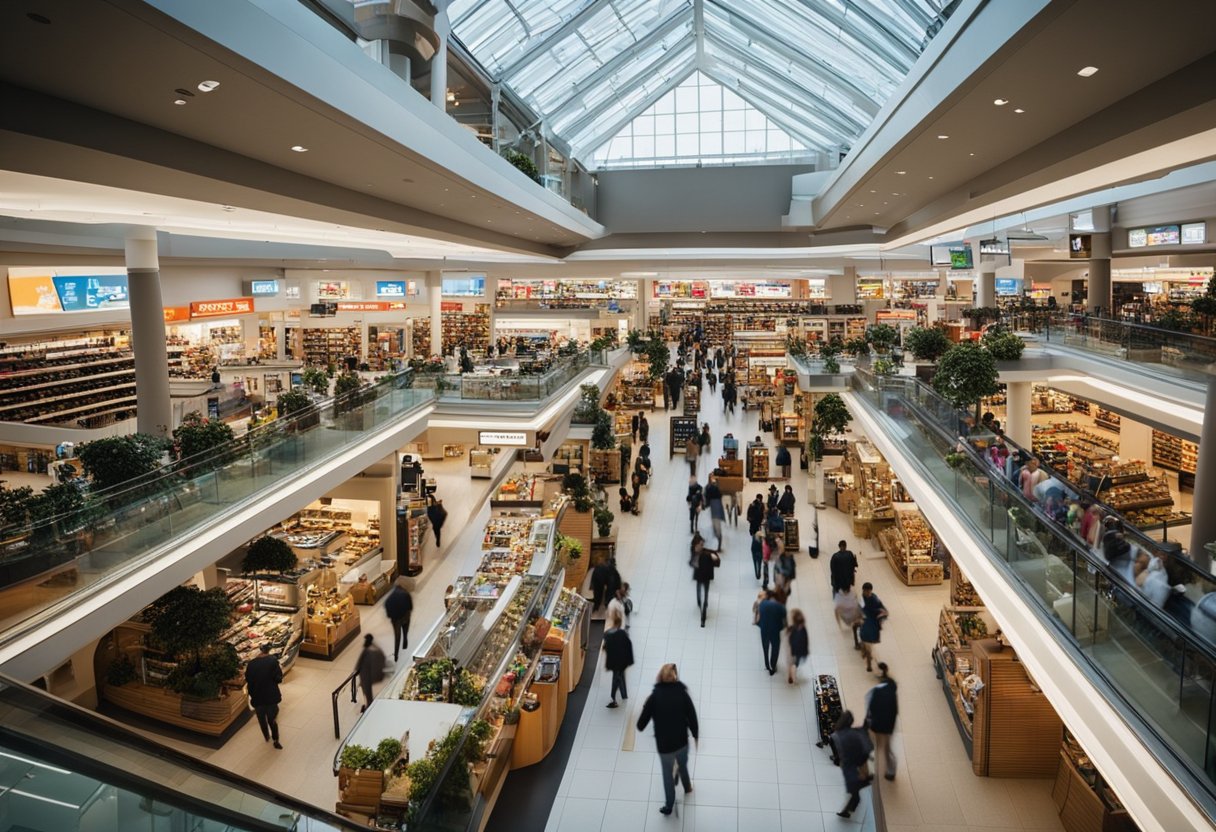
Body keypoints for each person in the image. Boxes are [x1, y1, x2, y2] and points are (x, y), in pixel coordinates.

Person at [636, 663, 699, 816]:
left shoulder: (654, 696)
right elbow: (692, 716)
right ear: (675, 677)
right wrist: (696, 735)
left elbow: (641, 725)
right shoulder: (682, 693)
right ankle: (687, 787)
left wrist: (647, 713)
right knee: (683, 765)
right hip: (682, 741)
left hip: (664, 746)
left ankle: (669, 806)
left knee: (667, 774)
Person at [831, 710, 874, 818]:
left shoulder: (838, 735)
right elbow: (865, 747)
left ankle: (847, 810)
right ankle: (848, 809)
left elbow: (840, 753)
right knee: (853, 788)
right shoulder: (855, 732)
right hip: (856, 765)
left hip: (849, 766)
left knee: (852, 788)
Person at [245, 643, 284, 749]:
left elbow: (248, 679)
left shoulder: (251, 664)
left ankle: (266, 736)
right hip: (270, 695)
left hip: (257, 696)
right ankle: (276, 740)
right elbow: (278, 678)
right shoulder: (272, 661)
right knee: (272, 719)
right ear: (269, 650)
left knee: (261, 718)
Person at [865, 663, 899, 781]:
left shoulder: (876, 692)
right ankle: (891, 771)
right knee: (887, 748)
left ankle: (870, 772)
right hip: (890, 724)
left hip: (878, 724)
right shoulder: (892, 688)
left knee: (873, 747)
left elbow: (870, 709)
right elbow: (894, 710)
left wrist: (869, 723)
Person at [602, 610, 634, 708]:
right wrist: (630, 660)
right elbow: (629, 646)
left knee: (616, 678)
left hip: (614, 661)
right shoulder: (623, 634)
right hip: (622, 661)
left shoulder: (607, 634)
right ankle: (623, 695)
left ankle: (613, 698)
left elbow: (605, 647)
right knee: (619, 676)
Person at [756, 589, 787, 675]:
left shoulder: (763, 604)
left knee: (765, 647)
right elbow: (785, 622)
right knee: (775, 648)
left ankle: (767, 664)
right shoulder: (781, 607)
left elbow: (758, 618)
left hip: (764, 630)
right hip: (775, 631)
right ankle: (773, 665)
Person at [859, 582, 888, 673]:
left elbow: (882, 609)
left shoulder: (874, 599)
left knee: (868, 643)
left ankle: (868, 659)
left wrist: (882, 615)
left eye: (868, 591)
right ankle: (868, 662)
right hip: (866, 624)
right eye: (865, 591)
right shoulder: (862, 599)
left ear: (871, 591)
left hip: (873, 625)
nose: (866, 593)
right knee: (867, 643)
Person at [354, 633, 386, 712]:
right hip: (368, 676)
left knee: (368, 694)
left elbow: (360, 663)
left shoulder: (368, 651)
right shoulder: (372, 649)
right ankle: (368, 707)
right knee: (367, 693)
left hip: (367, 676)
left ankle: (369, 709)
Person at [384, 577, 413, 662]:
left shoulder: (391, 596)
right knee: (405, 630)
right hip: (405, 617)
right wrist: (407, 611)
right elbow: (410, 606)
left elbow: (387, 605)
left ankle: (396, 654)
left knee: (397, 637)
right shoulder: (405, 593)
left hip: (396, 619)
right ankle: (405, 640)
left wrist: (390, 615)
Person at [692, 538, 720, 627]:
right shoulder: (705, 554)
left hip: (702, 577)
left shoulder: (704, 554)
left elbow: (717, 563)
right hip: (704, 577)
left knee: (702, 591)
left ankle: (702, 607)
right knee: (702, 591)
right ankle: (702, 602)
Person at [787, 608, 809, 684]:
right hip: (797, 651)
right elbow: (805, 642)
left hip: (794, 651)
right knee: (795, 664)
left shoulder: (793, 629)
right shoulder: (802, 630)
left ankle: (791, 676)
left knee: (792, 664)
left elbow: (790, 640)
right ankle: (793, 678)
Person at [705, 475, 725, 547]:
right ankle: (718, 541)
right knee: (716, 525)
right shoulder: (715, 489)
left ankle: (718, 541)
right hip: (716, 508)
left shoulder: (709, 488)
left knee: (716, 525)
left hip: (714, 509)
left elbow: (707, 497)